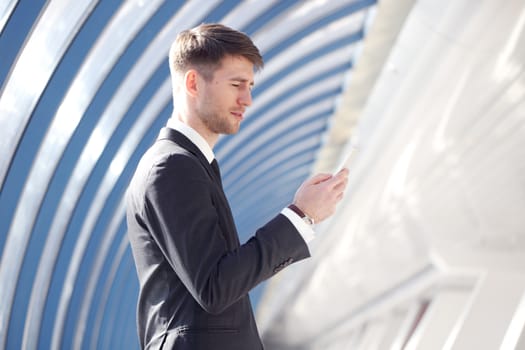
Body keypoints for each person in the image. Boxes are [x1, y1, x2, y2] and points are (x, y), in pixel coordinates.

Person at [126, 23, 349, 350]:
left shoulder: (189, 165)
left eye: (250, 86)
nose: (248, 99)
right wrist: (302, 215)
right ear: (193, 83)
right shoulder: (171, 168)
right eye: (236, 84)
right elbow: (214, 288)